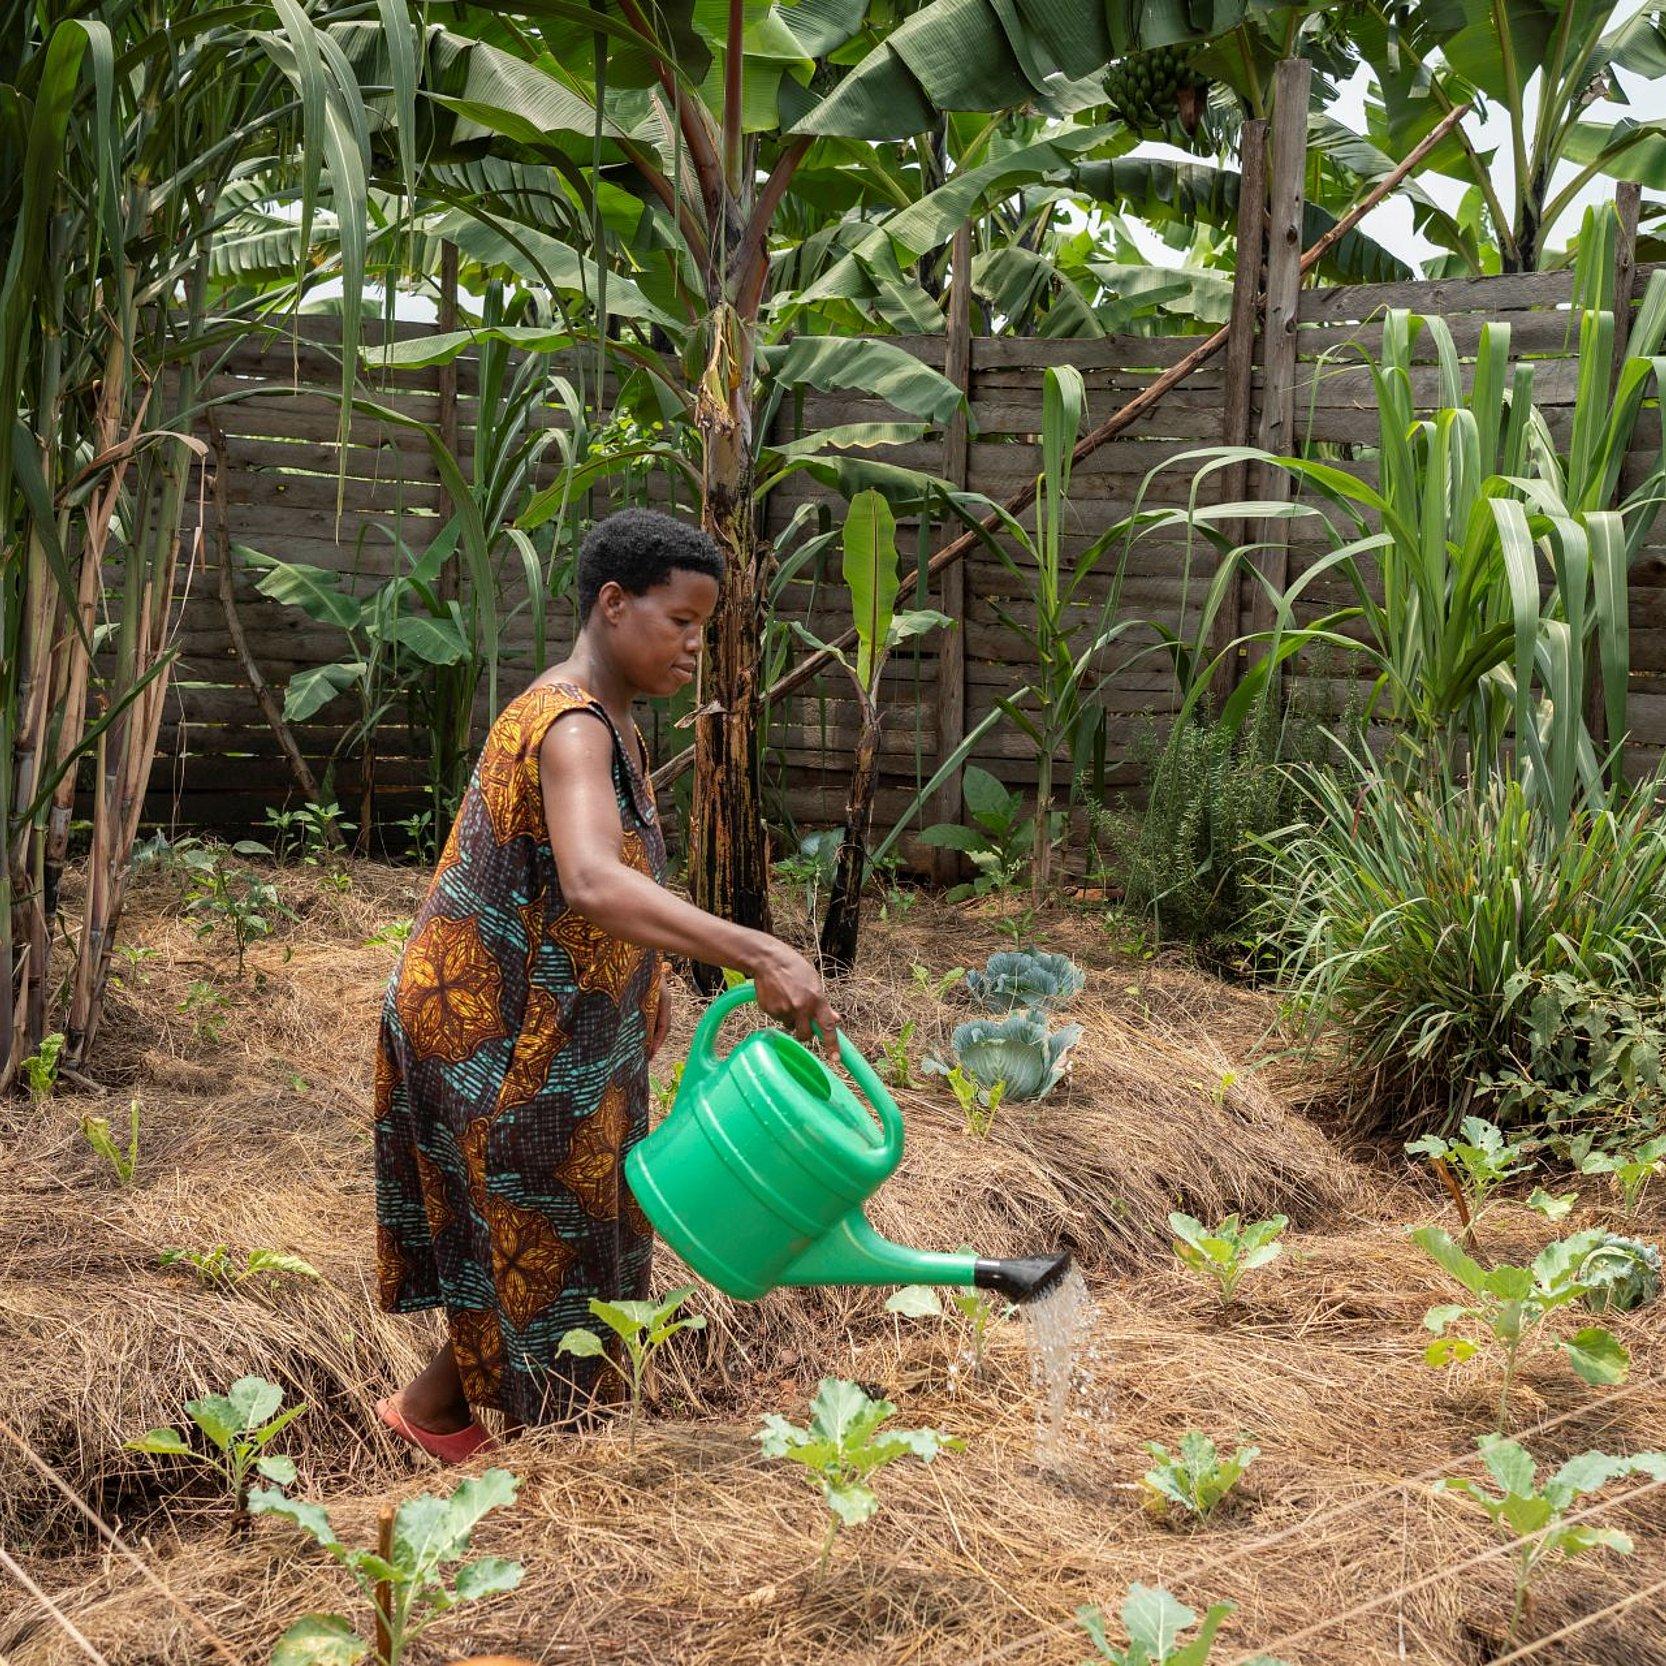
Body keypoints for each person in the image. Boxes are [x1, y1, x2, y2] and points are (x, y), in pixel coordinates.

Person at [373, 507, 838, 1459]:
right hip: (494, 1037)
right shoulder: (570, 725)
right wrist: (758, 951)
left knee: (589, 1236)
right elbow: (592, 879)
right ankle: (566, 1466)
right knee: (557, 1245)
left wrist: (645, 1008)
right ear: (613, 604)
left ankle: (430, 1417)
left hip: (562, 1030)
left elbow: (596, 896)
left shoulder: (618, 722)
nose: (696, 646)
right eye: (680, 621)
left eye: (704, 626)